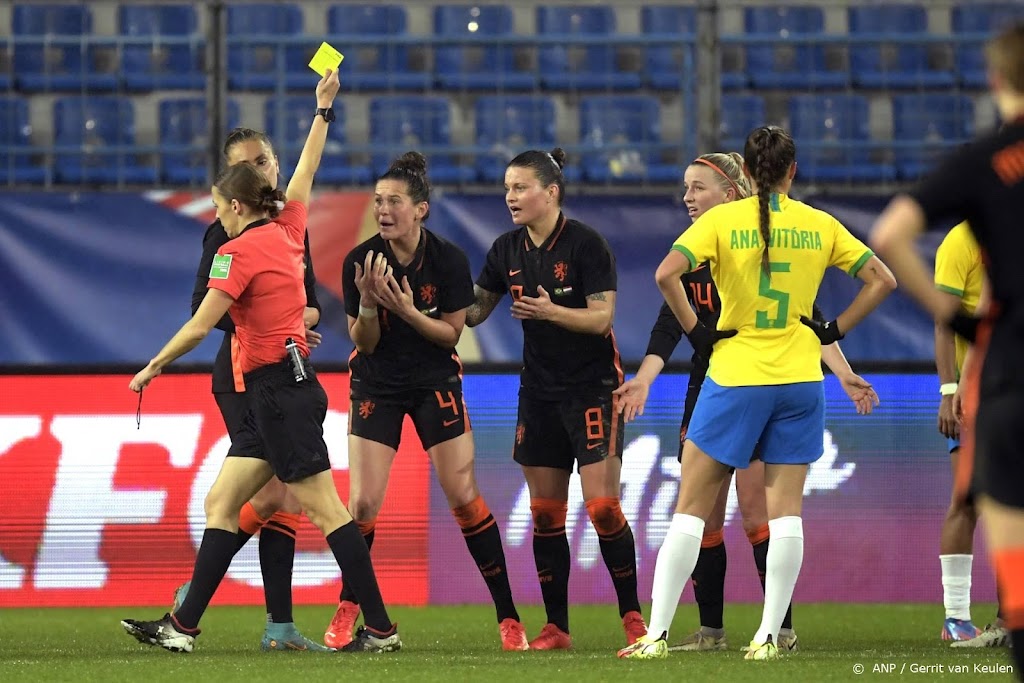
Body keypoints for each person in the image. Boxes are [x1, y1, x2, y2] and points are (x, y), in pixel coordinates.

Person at [121, 69, 401, 654]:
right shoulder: (289, 227)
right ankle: (182, 626)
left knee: (327, 511)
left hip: (276, 394)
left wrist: (153, 366)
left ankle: (380, 629)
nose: (217, 216)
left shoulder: (235, 252)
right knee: (223, 502)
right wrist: (322, 112)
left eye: (220, 206)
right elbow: (306, 170)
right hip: (290, 389)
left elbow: (201, 325)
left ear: (236, 204)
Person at [619, 125, 896, 661]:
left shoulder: (722, 221)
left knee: (691, 510)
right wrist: (834, 331)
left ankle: (655, 635)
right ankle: (769, 636)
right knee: (784, 513)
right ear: (792, 172)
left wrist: (699, 333)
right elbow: (882, 278)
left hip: (736, 377)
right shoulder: (820, 224)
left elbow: (666, 274)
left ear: (745, 174)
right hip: (798, 382)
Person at [323, 151, 528, 651]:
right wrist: (370, 305)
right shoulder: (361, 261)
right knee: (364, 503)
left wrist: (408, 311)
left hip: (436, 380)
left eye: (394, 200)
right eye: (377, 200)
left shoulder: (448, 260)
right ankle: (349, 607)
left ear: (421, 209)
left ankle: (508, 615)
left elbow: (449, 334)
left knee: (463, 496)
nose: (383, 209)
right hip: (377, 384)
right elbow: (364, 342)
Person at [870, 23, 1024, 675]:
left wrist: (962, 323)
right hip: (991, 377)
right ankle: (961, 611)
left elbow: (889, 233)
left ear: (995, 79)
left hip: (1012, 366)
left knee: (1003, 519)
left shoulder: (985, 161)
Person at [465, 148, 647, 650]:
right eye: (507, 188)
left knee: (604, 508)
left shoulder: (587, 245)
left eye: (520, 187)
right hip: (539, 394)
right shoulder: (505, 250)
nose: (510, 196)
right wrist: (425, 299)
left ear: (551, 192)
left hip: (592, 388)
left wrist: (550, 312)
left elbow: (601, 319)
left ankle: (633, 619)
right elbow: (475, 312)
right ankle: (557, 628)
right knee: (546, 513)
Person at [174, 127, 327, 652]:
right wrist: (266, 321)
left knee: (278, 498)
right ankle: (225, 602)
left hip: (281, 370)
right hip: (244, 376)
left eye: (265, 159)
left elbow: (309, 299)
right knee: (274, 495)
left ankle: (254, 616)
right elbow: (203, 306)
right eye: (249, 165)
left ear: (277, 162)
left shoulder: (288, 222)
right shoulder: (226, 230)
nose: (262, 171)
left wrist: (303, 315)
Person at [932, 221, 1006, 645]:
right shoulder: (960, 241)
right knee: (967, 499)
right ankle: (956, 619)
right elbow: (946, 322)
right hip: (975, 392)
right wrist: (948, 390)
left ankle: (1007, 618)